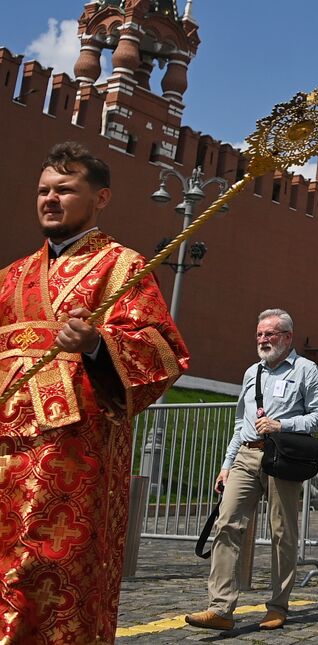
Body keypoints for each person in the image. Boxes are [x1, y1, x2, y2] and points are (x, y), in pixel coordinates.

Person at [0, 142, 189, 643]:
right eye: (43, 190)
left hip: (72, 455)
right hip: (5, 450)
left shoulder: (121, 267)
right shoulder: (12, 278)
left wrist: (96, 344)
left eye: (65, 189)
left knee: (50, 567)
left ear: (100, 198)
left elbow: (162, 351)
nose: (50, 199)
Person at [186, 309, 318, 631]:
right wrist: (226, 465)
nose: (263, 340)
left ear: (288, 337)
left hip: (282, 458)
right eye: (259, 335)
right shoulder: (252, 372)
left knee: (282, 533)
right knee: (227, 523)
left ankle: (278, 605)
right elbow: (241, 422)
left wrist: (284, 424)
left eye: (270, 334)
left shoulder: (306, 370)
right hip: (247, 456)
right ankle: (221, 608)